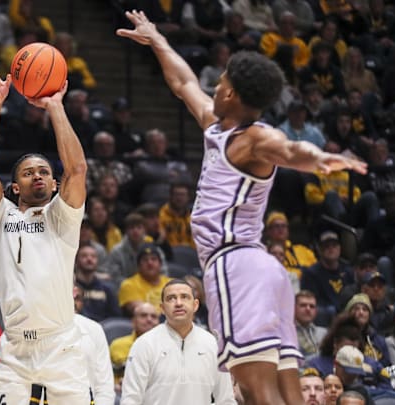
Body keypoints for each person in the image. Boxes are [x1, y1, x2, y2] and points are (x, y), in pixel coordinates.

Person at [117, 10, 366, 405]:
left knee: (253, 391)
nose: (212, 86)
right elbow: (182, 82)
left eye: (220, 81)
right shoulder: (218, 128)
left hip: (234, 265)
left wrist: (319, 158)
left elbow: (288, 149)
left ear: (230, 94)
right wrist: (157, 40)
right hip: (265, 270)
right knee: (289, 392)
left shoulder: (254, 138)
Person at [0, 58, 90, 403]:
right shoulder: (1, 215)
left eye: (44, 171)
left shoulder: (63, 216)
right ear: (15, 188)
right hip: (15, 350)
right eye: (28, 172)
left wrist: (54, 106)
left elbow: (78, 168)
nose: (37, 175)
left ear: (54, 185)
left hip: (61, 347)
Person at [120, 279, 236, 404]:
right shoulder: (144, 344)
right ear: (162, 308)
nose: (178, 303)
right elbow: (130, 399)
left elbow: (226, 400)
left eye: (185, 297)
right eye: (171, 298)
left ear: (195, 305)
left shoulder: (213, 344)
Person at [72, 285, 115, 405]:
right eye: (69, 296)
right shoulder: (41, 327)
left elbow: (104, 384)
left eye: (77, 298)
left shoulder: (94, 329)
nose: (73, 302)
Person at [263, 211, 317, 280]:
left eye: (283, 226)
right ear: (268, 231)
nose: (280, 229)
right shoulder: (264, 253)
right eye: (276, 226)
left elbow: (317, 271)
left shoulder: (303, 250)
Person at [109, 302, 160, 374]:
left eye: (154, 316)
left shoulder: (165, 347)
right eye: (143, 315)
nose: (149, 319)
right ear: (133, 321)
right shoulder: (118, 345)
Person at [74, 243, 120, 322]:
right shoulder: (71, 288)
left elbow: (116, 317)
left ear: (98, 261)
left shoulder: (107, 289)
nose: (89, 259)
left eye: (93, 256)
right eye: (84, 256)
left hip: (103, 329)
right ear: (76, 261)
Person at [296, 290, 328, 359]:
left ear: (316, 311)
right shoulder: (287, 334)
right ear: (294, 308)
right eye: (303, 305)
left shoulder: (324, 333)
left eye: (312, 306)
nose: (308, 309)